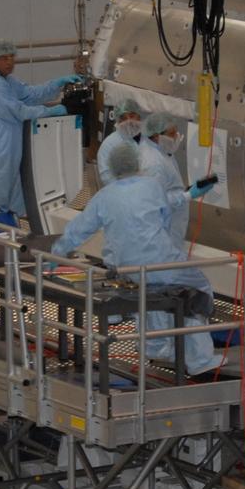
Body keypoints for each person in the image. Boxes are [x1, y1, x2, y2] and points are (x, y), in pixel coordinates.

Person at [52, 144, 221, 374]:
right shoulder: (151, 185)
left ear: (113, 168)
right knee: (197, 291)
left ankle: (158, 347)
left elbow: (77, 230)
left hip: (127, 268)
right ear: (136, 163)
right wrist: (188, 196)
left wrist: (54, 254)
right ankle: (200, 360)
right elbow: (164, 213)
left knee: (152, 295)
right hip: (161, 260)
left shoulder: (104, 196)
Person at [0, 38, 82, 215]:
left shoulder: (6, 81)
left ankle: (13, 237)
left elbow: (30, 94)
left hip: (9, 150)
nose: (10, 62)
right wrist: (50, 111)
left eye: (11, 57)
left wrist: (57, 83)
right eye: (4, 58)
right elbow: (19, 111)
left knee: (13, 202)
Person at [139, 112, 213, 243]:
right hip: (162, 234)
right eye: (172, 134)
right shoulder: (153, 164)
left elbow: (166, 187)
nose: (177, 137)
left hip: (169, 231)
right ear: (157, 136)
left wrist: (187, 190)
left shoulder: (162, 152)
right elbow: (154, 202)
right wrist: (187, 195)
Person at [97, 99, 143, 187]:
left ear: (139, 116)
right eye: (124, 118)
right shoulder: (109, 144)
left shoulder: (147, 140)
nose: (129, 121)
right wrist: (126, 191)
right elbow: (106, 176)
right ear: (118, 121)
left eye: (132, 116)